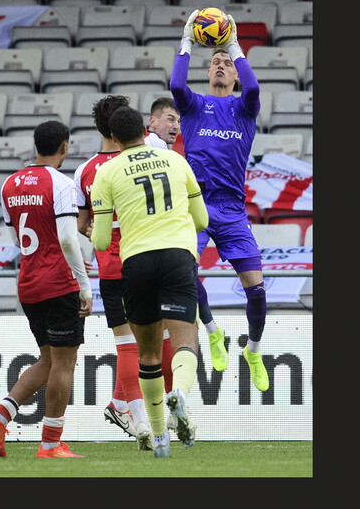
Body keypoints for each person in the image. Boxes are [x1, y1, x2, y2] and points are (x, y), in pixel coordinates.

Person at [90, 106, 209, 458]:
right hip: (176, 256)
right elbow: (201, 219)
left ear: (113, 137)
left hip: (136, 262)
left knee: (147, 355)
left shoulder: (106, 172)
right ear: (145, 129)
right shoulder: (175, 161)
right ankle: (182, 397)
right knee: (186, 341)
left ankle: (158, 437)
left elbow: (98, 242)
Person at [0, 120, 94, 459]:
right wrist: (84, 285)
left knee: (47, 360)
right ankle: (50, 444)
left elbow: (18, 239)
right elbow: (67, 238)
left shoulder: (9, 184)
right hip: (59, 283)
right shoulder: (61, 184)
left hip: (28, 282)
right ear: (65, 147)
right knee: (64, 364)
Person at [170, 10, 270, 391]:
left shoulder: (245, 107)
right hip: (195, 203)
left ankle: (254, 350)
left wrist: (234, 47)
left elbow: (255, 89)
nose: (221, 66)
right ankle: (213, 332)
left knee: (256, 291)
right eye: (215, 61)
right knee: (185, 273)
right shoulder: (193, 105)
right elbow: (176, 84)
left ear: (235, 75)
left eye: (226, 63)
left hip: (231, 208)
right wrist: (187, 42)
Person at [74, 94, 174, 451]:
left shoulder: (85, 170)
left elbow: (83, 226)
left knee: (128, 345)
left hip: (113, 268)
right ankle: (147, 416)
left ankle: (133, 414)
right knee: (157, 340)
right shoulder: (148, 160)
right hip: (151, 257)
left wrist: (104, 234)